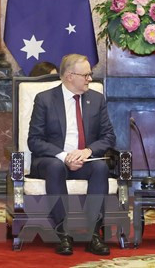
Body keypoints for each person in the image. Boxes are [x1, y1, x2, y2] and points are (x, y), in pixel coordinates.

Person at [27, 54, 115, 256]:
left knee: (100, 167)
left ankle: (94, 234)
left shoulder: (96, 99)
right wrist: (64, 156)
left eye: (90, 74)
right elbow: (35, 140)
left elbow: (109, 136)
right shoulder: (45, 99)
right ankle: (63, 234)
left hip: (85, 160)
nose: (90, 79)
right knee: (56, 167)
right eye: (86, 75)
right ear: (69, 76)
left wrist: (87, 151)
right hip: (52, 161)